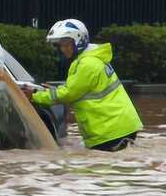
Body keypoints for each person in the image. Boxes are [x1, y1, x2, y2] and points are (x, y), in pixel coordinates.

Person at [22, 19, 143, 152]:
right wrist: (51, 91)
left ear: (79, 41)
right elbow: (76, 89)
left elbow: (69, 94)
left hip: (111, 131)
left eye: (67, 44)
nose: (63, 49)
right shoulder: (89, 59)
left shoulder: (87, 64)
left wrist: (34, 95)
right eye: (61, 45)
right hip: (117, 127)